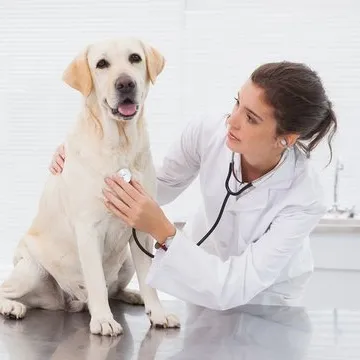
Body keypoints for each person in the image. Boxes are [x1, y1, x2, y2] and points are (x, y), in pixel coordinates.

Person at [49, 61, 337, 310]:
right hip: (202, 277)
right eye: (237, 102)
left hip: (268, 301)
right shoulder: (207, 131)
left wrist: (163, 230)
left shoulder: (304, 198)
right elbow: (156, 186)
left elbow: (235, 286)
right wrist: (85, 156)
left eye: (250, 118)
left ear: (285, 138)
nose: (232, 121)